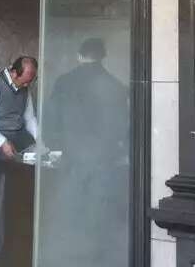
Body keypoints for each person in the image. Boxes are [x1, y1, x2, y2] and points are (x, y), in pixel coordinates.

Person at [43, 38, 130, 267]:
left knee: (69, 215)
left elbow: (51, 121)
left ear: (79, 55)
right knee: (98, 219)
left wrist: (55, 146)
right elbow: (122, 127)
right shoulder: (116, 85)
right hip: (104, 161)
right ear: (103, 56)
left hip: (72, 160)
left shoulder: (64, 82)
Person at [0, 55, 39, 265]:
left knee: (20, 200)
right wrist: (2, 142)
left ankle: (16, 252)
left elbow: (29, 119)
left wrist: (41, 142)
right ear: (13, 72)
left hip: (19, 145)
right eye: (25, 81)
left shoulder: (25, 88)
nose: (27, 85)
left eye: (30, 82)